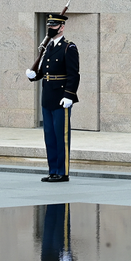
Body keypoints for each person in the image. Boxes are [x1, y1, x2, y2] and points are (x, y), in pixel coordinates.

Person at [27, 14, 80, 183]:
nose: (50, 28)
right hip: (48, 96)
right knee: (49, 136)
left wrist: (69, 95)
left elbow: (74, 75)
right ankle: (52, 170)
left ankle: (62, 172)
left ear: (62, 27)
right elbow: (44, 71)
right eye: (49, 26)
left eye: (54, 26)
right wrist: (33, 75)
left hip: (61, 97)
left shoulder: (68, 47)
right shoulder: (48, 47)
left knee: (61, 136)